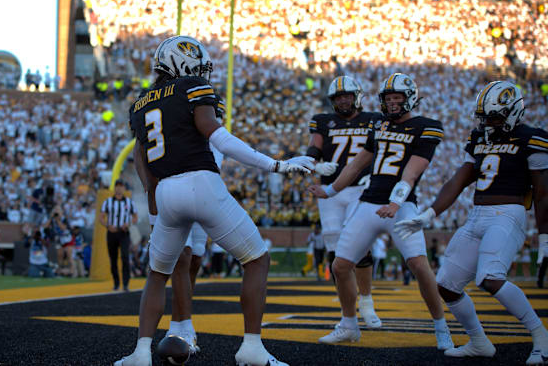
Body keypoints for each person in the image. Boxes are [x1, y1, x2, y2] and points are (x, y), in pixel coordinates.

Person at [116, 35, 314, 366]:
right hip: (201, 183)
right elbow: (216, 134)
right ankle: (252, 348)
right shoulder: (192, 87)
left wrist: (152, 195)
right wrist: (275, 164)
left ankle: (140, 353)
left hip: (165, 191)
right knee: (256, 259)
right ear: (182, 62)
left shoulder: (140, 102)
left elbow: (140, 155)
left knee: (157, 273)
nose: (202, 72)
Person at [395, 81, 548, 364]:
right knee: (446, 284)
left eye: (494, 117)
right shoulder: (480, 138)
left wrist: (544, 238)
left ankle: (541, 337)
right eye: (484, 117)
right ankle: (479, 341)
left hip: (508, 215)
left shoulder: (532, 138)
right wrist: (429, 214)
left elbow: (542, 193)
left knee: (490, 278)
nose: (487, 123)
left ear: (512, 112)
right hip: (477, 216)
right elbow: (458, 180)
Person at [308, 72, 453, 350]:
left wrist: (396, 203)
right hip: (370, 203)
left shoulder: (426, 127)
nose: (393, 103)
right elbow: (355, 165)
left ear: (409, 99)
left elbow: (411, 174)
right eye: (389, 98)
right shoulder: (379, 126)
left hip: (401, 206)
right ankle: (349, 325)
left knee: (419, 265)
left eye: (398, 98)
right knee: (340, 265)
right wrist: (330, 191)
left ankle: (441, 326)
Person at [306, 75, 381, 328]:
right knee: (333, 242)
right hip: (330, 189)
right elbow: (314, 147)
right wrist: (315, 164)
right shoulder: (323, 121)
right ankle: (347, 309)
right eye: (339, 97)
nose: (343, 100)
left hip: (361, 187)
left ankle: (367, 301)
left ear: (357, 96)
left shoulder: (373, 119)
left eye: (347, 95)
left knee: (358, 240)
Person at [100, 179, 137, 291]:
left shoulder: (130, 202)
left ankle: (125, 283)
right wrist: (107, 225)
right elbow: (101, 217)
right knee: (113, 258)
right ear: (114, 187)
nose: (119, 188)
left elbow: (135, 217)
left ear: (124, 189)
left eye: (121, 186)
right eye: (117, 186)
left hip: (124, 232)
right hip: (112, 232)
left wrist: (128, 224)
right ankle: (116, 283)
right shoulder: (108, 201)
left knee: (125, 256)